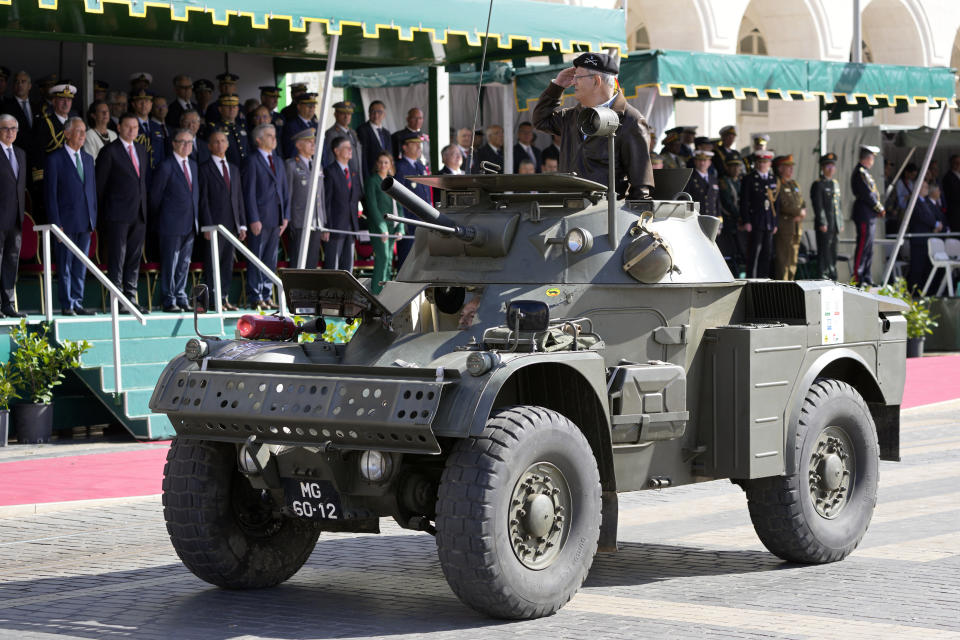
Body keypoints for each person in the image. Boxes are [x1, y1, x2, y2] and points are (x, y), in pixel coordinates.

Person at [533, 52, 654, 199]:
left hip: (603, 216)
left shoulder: (630, 120)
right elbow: (540, 120)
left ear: (597, 81)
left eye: (578, 77)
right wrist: (557, 86)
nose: (573, 82)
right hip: (566, 210)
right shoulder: (572, 116)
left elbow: (640, 187)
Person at [95, 113, 149, 311]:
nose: (132, 130)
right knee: (117, 257)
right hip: (117, 213)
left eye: (135, 127)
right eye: (128, 127)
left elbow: (143, 182)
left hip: (139, 212)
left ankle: (130, 297)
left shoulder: (142, 150)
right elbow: (100, 186)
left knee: (134, 257)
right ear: (119, 127)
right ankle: (117, 299)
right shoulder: (109, 151)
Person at [44, 117, 96, 315]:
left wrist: (93, 218)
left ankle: (77, 301)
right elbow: (51, 194)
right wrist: (56, 223)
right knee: (65, 264)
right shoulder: (55, 159)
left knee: (80, 263)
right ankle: (67, 304)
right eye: (78, 131)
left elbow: (91, 192)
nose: (83, 135)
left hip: (85, 221)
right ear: (66, 134)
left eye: (84, 131)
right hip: (65, 222)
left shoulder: (88, 159)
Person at [150, 129, 199, 312]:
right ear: (174, 143)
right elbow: (155, 197)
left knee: (184, 263)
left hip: (190, 223)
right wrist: (163, 218)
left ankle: (181, 295)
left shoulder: (193, 165)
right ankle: (169, 299)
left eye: (190, 142)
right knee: (171, 262)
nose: (186, 146)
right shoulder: (166, 166)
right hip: (170, 223)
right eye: (182, 142)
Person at [242, 123, 289, 309]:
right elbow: (249, 192)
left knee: (270, 258)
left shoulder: (278, 160)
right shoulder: (252, 160)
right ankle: (255, 295)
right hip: (260, 218)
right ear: (259, 139)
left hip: (276, 217)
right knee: (256, 256)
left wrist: (285, 216)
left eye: (274, 135)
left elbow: (284, 190)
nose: (274, 138)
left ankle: (267, 294)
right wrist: (253, 217)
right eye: (269, 135)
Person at [198, 130, 246, 310]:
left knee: (227, 263)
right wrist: (208, 225)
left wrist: (242, 224)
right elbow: (203, 200)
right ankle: (213, 300)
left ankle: (224, 298)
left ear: (227, 144)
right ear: (209, 146)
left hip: (232, 225)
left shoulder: (233, 168)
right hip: (214, 226)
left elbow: (238, 198)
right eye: (215, 142)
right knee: (213, 264)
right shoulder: (204, 168)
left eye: (223, 141)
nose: (220, 144)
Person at [285, 128, 325, 269]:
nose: (313, 145)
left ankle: (309, 291)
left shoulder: (317, 165)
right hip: (300, 220)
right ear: (298, 145)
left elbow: (321, 196)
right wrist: (288, 218)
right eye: (309, 142)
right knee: (298, 260)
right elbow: (288, 194)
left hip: (316, 220)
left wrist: (323, 221)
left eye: (314, 142)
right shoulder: (291, 165)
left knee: (312, 261)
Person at [0, 114, 27, 317]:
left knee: (11, 261)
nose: (10, 132)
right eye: (5, 128)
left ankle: (8, 304)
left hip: (16, 219)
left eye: (13, 128)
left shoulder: (20, 154)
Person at [322, 136, 361, 271]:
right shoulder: (330, 171)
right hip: (335, 227)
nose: (350, 150)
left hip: (350, 226)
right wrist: (326, 226)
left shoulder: (353, 172)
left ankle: (346, 292)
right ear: (337, 151)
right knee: (333, 265)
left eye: (351, 147)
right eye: (346, 147)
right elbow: (326, 201)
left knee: (347, 266)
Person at [393, 131, 430, 267]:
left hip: (424, 222)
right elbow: (398, 196)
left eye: (419, 144)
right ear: (404, 147)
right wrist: (404, 222)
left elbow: (426, 193)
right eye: (414, 144)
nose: (418, 147)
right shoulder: (401, 167)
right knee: (407, 263)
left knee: (421, 263)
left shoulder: (420, 166)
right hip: (410, 222)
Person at [363, 151, 398, 294]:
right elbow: (372, 206)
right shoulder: (372, 181)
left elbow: (399, 206)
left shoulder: (392, 181)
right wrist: (382, 227)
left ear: (390, 165)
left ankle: (385, 293)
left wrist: (400, 227)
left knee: (389, 260)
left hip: (392, 225)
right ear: (377, 164)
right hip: (379, 226)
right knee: (382, 258)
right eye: (381, 162)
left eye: (386, 162)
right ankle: (376, 293)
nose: (383, 165)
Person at [739, 149, 777, 278]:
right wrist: (746, 221)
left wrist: (774, 222)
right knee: (754, 253)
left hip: (768, 221)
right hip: (755, 220)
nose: (762, 165)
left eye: (765, 162)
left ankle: (764, 279)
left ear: (769, 164)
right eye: (760, 162)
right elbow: (744, 202)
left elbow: (775, 204)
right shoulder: (749, 179)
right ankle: (752, 279)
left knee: (767, 253)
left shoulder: (773, 179)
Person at [851, 145, 885, 286]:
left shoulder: (865, 172)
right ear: (868, 158)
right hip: (864, 213)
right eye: (872, 158)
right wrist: (879, 207)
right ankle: (858, 277)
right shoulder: (860, 173)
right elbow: (867, 194)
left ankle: (867, 276)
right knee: (863, 246)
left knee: (869, 247)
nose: (872, 161)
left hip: (869, 214)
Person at [772, 154, 806, 281]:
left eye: (792, 167)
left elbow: (802, 201)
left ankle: (791, 284)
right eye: (788, 167)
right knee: (784, 260)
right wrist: (799, 212)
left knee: (793, 260)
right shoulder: (778, 183)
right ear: (780, 168)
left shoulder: (793, 183)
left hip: (796, 227)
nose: (791, 169)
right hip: (785, 228)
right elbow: (783, 205)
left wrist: (802, 210)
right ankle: (783, 287)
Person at [907, 180, 945, 292]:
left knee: (925, 270)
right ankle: (912, 294)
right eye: (924, 187)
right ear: (918, 188)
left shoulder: (925, 201)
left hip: (926, 240)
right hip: (918, 241)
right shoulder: (914, 200)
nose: (927, 188)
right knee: (916, 269)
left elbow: (931, 215)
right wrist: (935, 224)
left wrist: (935, 225)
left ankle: (922, 292)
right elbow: (922, 216)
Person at [810, 152, 842, 280]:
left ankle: (833, 274)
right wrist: (822, 222)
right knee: (824, 251)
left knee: (833, 250)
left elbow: (838, 205)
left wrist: (840, 222)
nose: (830, 169)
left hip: (834, 223)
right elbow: (818, 206)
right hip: (825, 224)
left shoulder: (835, 183)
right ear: (822, 168)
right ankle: (823, 275)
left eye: (832, 166)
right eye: (827, 166)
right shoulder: (818, 184)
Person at [321, 101, 363, 192]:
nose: (346, 116)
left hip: (356, 179)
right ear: (335, 115)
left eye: (349, 114)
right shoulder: (332, 134)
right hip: (343, 178)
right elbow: (330, 159)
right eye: (343, 113)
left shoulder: (352, 132)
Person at [717, 156, 744, 275]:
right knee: (729, 250)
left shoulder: (740, 181)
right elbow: (727, 202)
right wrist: (739, 216)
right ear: (728, 167)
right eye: (733, 166)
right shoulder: (724, 182)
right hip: (730, 220)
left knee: (740, 250)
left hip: (740, 220)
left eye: (738, 166)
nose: (736, 169)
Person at [206, 95, 248, 167]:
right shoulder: (215, 128)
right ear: (220, 109)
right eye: (227, 106)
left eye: (234, 107)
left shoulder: (241, 128)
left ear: (238, 109)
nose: (231, 109)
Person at [0, 71, 35, 153]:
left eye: (23, 82)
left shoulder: (37, 106)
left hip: (34, 157)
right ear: (13, 86)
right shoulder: (5, 106)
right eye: (16, 82)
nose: (19, 85)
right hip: (14, 153)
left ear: (29, 86)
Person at [130, 89, 165, 170]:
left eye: (146, 101)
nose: (143, 105)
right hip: (137, 172)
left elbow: (162, 154)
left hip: (156, 174)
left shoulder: (157, 127)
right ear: (133, 104)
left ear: (151, 104)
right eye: (140, 101)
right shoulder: (130, 126)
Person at [356, 100, 391, 177]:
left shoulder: (387, 133)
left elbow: (389, 155)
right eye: (373, 112)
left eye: (379, 112)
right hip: (371, 175)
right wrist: (366, 176)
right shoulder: (362, 130)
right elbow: (363, 157)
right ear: (369, 113)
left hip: (385, 175)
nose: (376, 115)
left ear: (384, 114)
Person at [280, 92, 317, 160]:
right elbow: (291, 152)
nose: (311, 108)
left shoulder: (316, 125)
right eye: (308, 106)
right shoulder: (291, 126)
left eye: (313, 106)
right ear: (299, 106)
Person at [686, 149, 718, 218]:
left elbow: (717, 200)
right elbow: (687, 201)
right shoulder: (690, 178)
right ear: (695, 161)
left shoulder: (713, 179)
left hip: (712, 217)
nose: (702, 163)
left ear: (709, 162)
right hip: (696, 218)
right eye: (699, 160)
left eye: (705, 160)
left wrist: (719, 218)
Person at [941, 155, 960, 232]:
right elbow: (954, 195)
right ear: (952, 164)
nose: (959, 165)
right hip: (955, 212)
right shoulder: (948, 177)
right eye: (957, 163)